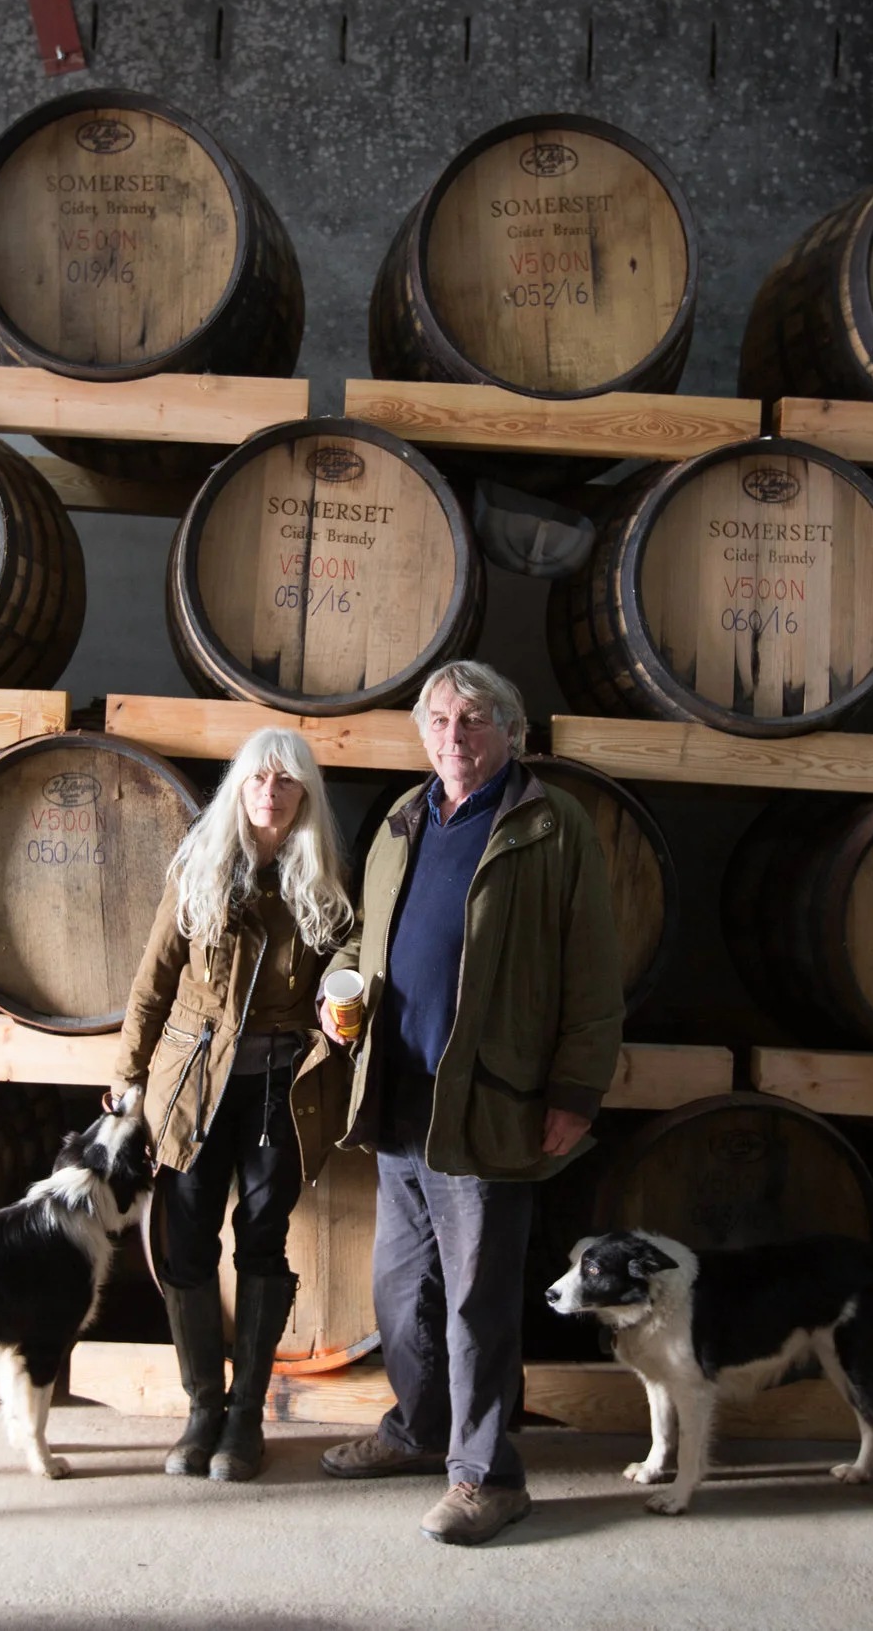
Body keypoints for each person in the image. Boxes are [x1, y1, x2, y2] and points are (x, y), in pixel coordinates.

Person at [315, 659, 623, 1545]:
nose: (455, 737)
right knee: (401, 1287)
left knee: (478, 1302)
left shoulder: (550, 824)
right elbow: (369, 943)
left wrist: (574, 1092)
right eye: (441, 721)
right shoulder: (405, 820)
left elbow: (592, 975)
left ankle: (490, 1477)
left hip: (490, 1103)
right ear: (423, 733)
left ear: (512, 731)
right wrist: (343, 1010)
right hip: (399, 1097)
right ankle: (418, 1431)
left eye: (475, 720)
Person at [110, 726, 355, 1483]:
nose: (270, 793)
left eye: (285, 782)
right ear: (239, 789)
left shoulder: (320, 878)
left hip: (279, 1084)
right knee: (184, 1239)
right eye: (257, 780)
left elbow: (351, 947)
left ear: (304, 793)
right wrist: (127, 1074)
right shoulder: (200, 867)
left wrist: (339, 982)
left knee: (261, 1235)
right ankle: (200, 1408)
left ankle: (246, 1413)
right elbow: (153, 981)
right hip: (191, 1081)